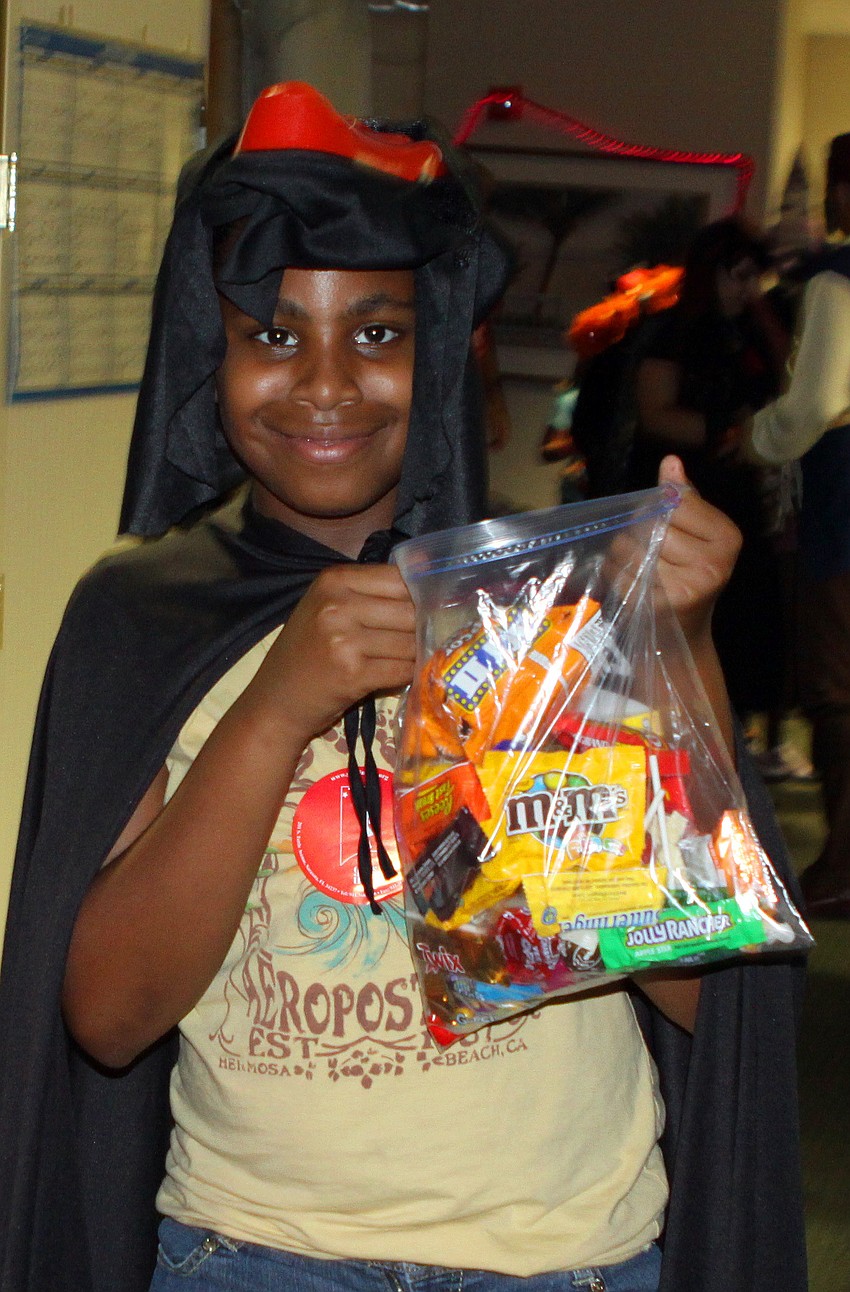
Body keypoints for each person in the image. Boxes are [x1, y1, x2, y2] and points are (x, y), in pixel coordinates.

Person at [0, 83, 807, 1292]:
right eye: (273, 332)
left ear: (437, 351)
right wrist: (277, 704)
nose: (324, 383)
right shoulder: (143, 618)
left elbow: (713, 1000)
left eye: (376, 333)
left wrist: (668, 646)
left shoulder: (549, 600)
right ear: (205, 351)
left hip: (561, 1258)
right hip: (249, 1254)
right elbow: (108, 1014)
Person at [628, 218, 793, 750]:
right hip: (683, 491)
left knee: (746, 618)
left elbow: (789, 389)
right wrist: (726, 431)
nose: (745, 288)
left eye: (754, 277)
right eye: (736, 275)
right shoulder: (674, 330)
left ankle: (736, 730)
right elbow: (654, 413)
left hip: (742, 496)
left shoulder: (754, 331)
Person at [746, 132, 850, 917]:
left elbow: (813, 405)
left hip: (845, 513)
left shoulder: (834, 282)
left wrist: (759, 437)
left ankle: (843, 866)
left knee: (837, 694)